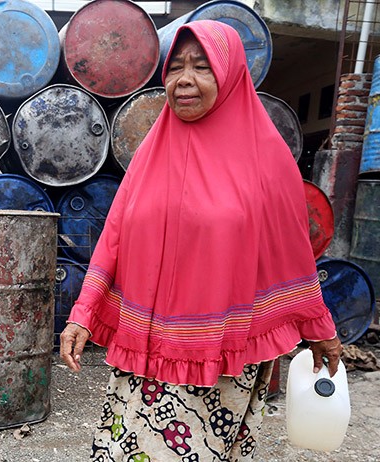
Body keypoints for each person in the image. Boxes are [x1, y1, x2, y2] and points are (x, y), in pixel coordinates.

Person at [59, 20, 343, 461]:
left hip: (219, 362)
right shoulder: (153, 153)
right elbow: (114, 235)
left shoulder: (266, 160)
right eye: (175, 67)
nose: (184, 80)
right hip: (145, 358)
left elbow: (291, 256)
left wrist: (319, 329)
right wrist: (83, 313)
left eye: (202, 66)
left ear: (230, 75)